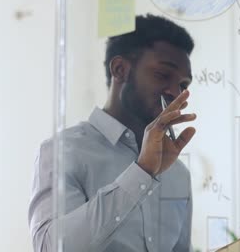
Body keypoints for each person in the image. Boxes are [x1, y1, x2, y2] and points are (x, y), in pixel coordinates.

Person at [28, 14, 197, 252]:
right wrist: (142, 173)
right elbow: (50, 247)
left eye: (183, 85)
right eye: (162, 75)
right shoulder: (63, 152)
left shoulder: (178, 173)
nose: (175, 93)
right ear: (120, 70)